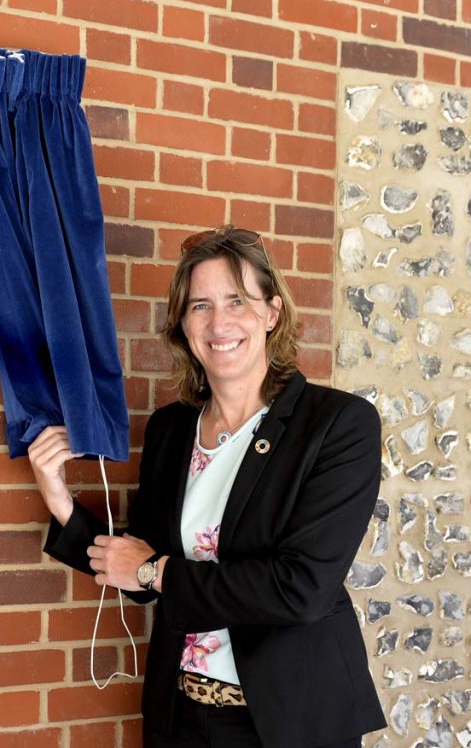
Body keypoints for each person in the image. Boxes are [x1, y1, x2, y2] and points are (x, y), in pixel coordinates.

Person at [29, 226, 386, 748]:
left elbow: (301, 590)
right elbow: (137, 566)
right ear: (183, 325)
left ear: (272, 313)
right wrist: (59, 499)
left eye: (237, 301)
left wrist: (155, 570)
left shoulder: (337, 425)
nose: (219, 323)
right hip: (184, 717)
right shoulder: (171, 429)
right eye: (199, 306)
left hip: (290, 722)